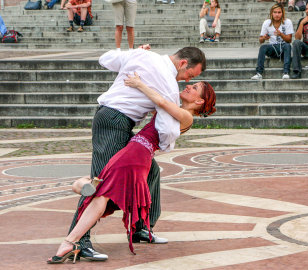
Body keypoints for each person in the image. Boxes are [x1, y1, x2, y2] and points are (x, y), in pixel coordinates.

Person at [47, 76, 216, 264]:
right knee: (102, 191)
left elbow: (160, 100)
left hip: (136, 156)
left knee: (102, 193)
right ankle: (78, 198)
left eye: (194, 88)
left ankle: (70, 239)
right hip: (133, 153)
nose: (188, 86)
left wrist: (139, 84)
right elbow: (163, 92)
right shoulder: (177, 106)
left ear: (199, 101)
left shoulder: (186, 116)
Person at [251, 3, 293, 80]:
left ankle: (286, 72)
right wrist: (264, 37)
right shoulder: (267, 23)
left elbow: (289, 40)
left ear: (282, 13)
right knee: (263, 47)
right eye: (275, 12)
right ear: (271, 13)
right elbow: (260, 40)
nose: (277, 14)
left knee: (288, 46)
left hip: (284, 47)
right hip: (273, 47)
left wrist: (281, 34)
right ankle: (259, 73)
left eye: (279, 12)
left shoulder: (287, 22)